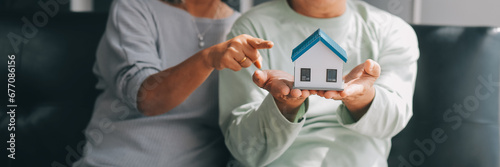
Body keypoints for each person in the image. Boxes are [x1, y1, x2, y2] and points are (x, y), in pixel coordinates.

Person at [219, 0, 419, 166]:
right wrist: (284, 105)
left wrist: (361, 98)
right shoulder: (251, 29)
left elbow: (393, 119)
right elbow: (243, 147)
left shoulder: (392, 30)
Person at [73, 0, 273, 166]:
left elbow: (241, 127)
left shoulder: (241, 27)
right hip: (120, 158)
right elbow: (147, 100)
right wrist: (207, 59)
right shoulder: (134, 7)